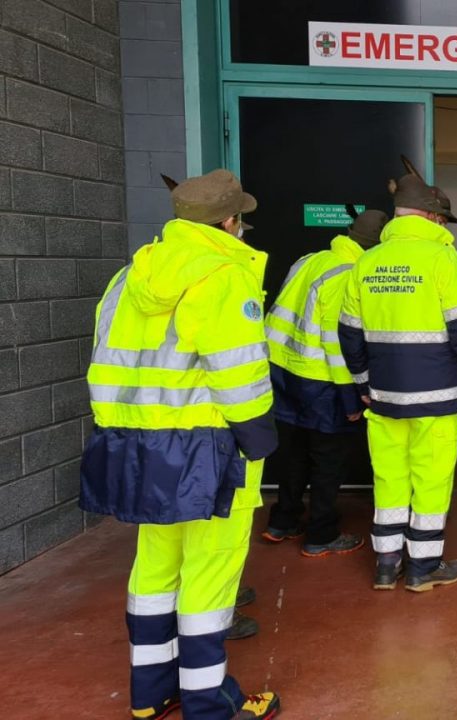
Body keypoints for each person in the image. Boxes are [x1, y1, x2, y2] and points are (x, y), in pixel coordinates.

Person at [79, 169, 281, 719]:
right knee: (210, 572)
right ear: (230, 221)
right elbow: (237, 372)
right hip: (210, 449)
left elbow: (103, 360)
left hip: (138, 446)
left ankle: (149, 695)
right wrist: (259, 438)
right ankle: (208, 703)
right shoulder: (225, 274)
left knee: (154, 568)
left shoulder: (129, 277)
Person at [338, 159, 457, 592]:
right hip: (435, 394)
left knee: (389, 477)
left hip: (384, 396)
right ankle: (424, 567)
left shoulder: (367, 263)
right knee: (430, 477)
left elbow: (349, 334)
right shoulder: (445, 260)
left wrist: (361, 384)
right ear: (431, 215)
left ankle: (386, 563)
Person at [261, 207, 388, 556]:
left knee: (294, 452)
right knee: (327, 460)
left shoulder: (310, 260)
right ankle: (321, 534)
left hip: (283, 372)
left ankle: (283, 522)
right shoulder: (348, 275)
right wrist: (351, 399)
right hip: (320, 380)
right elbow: (336, 343)